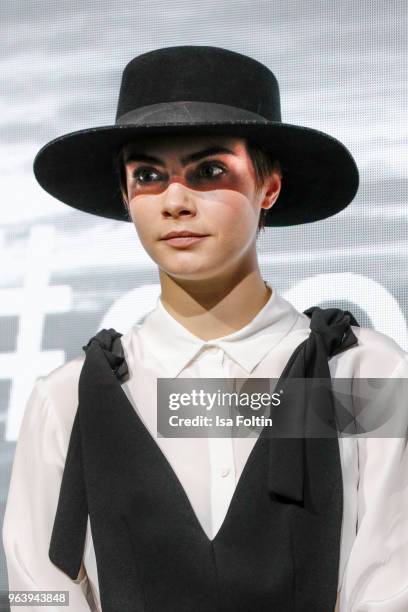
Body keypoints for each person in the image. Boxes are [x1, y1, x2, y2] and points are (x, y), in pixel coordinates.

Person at [3, 45, 408, 612]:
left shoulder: (360, 374)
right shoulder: (66, 399)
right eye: (147, 175)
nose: (175, 201)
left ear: (268, 186)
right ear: (125, 197)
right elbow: (36, 592)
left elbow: (394, 581)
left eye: (210, 170)